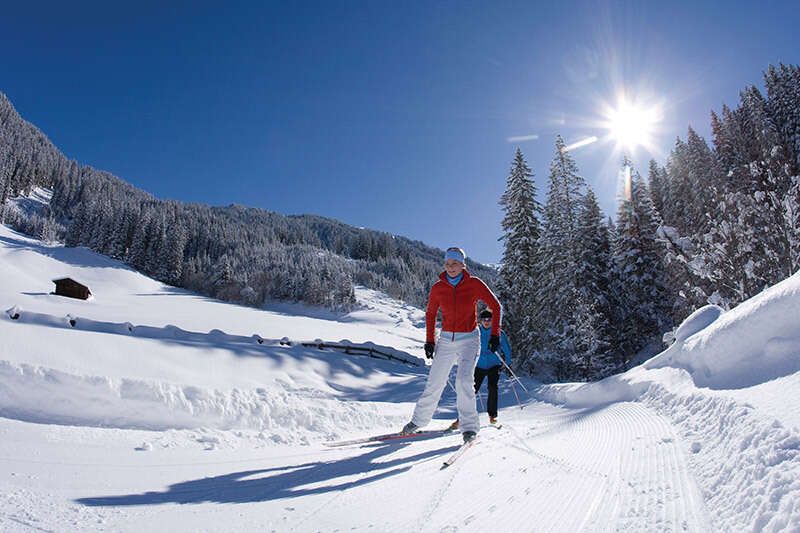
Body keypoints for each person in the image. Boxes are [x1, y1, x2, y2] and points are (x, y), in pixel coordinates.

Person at [401, 247, 502, 443]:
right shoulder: (438, 288)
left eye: (454, 264)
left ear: (463, 265)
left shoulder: (474, 284)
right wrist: (430, 340)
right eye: (447, 264)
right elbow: (430, 314)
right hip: (446, 339)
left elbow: (496, 306)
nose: (451, 267)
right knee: (435, 381)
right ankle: (418, 421)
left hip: (469, 339)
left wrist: (495, 334)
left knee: (464, 381)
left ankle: (470, 427)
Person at [449, 308, 512, 430]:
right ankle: (462, 419)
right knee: (471, 390)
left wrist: (507, 364)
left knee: (492, 387)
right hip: (479, 364)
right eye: (484, 320)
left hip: (494, 364)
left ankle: (492, 415)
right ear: (481, 321)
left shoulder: (498, 333)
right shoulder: (475, 332)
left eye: (489, 319)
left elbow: (506, 349)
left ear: (492, 320)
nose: (487, 322)